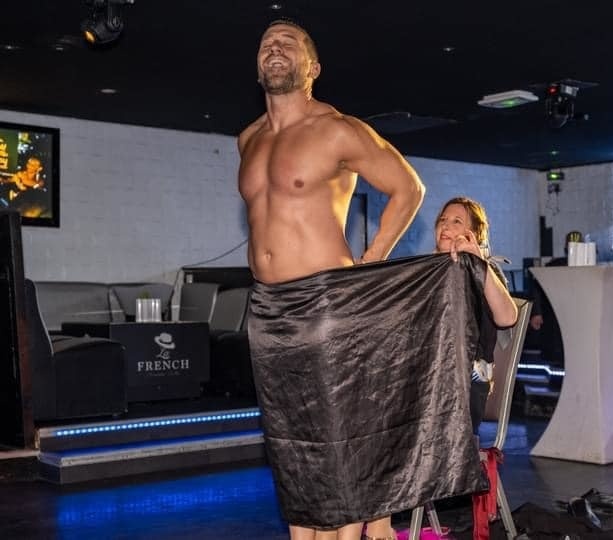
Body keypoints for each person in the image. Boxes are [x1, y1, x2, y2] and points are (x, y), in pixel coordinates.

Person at [238, 19, 425, 540]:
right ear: (258, 63)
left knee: (338, 438)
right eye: (267, 42)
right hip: (267, 306)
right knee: (290, 440)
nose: (275, 47)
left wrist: (373, 259)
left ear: (313, 68)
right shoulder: (247, 139)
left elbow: (408, 188)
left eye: (289, 42)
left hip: (325, 301)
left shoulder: (338, 129)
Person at [433, 197, 518, 434]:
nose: (446, 225)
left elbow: (507, 317)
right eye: (442, 220)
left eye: (456, 222)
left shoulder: (486, 270)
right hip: (430, 375)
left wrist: (479, 263)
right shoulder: (428, 271)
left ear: (474, 234)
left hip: (465, 384)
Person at [528, 230, 581, 367]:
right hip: (555, 319)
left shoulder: (589, 267)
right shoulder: (554, 266)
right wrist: (537, 313)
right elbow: (537, 287)